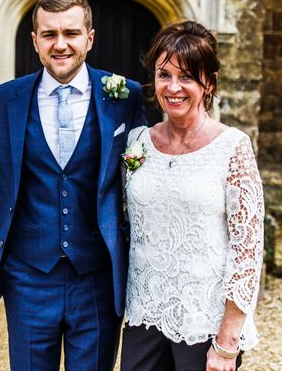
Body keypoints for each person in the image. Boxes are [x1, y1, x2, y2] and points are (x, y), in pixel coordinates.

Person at [0, 0, 146, 370]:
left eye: (71, 33)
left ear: (90, 39)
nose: (61, 45)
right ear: (35, 41)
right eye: (49, 34)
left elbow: (144, 175)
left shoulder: (125, 95)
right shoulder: (3, 99)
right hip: (27, 274)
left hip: (95, 275)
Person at [121, 20, 264, 371]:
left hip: (205, 319)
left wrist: (227, 342)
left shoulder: (232, 147)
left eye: (187, 77)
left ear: (209, 82)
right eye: (164, 75)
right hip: (144, 312)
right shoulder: (137, 141)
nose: (173, 87)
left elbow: (248, 249)